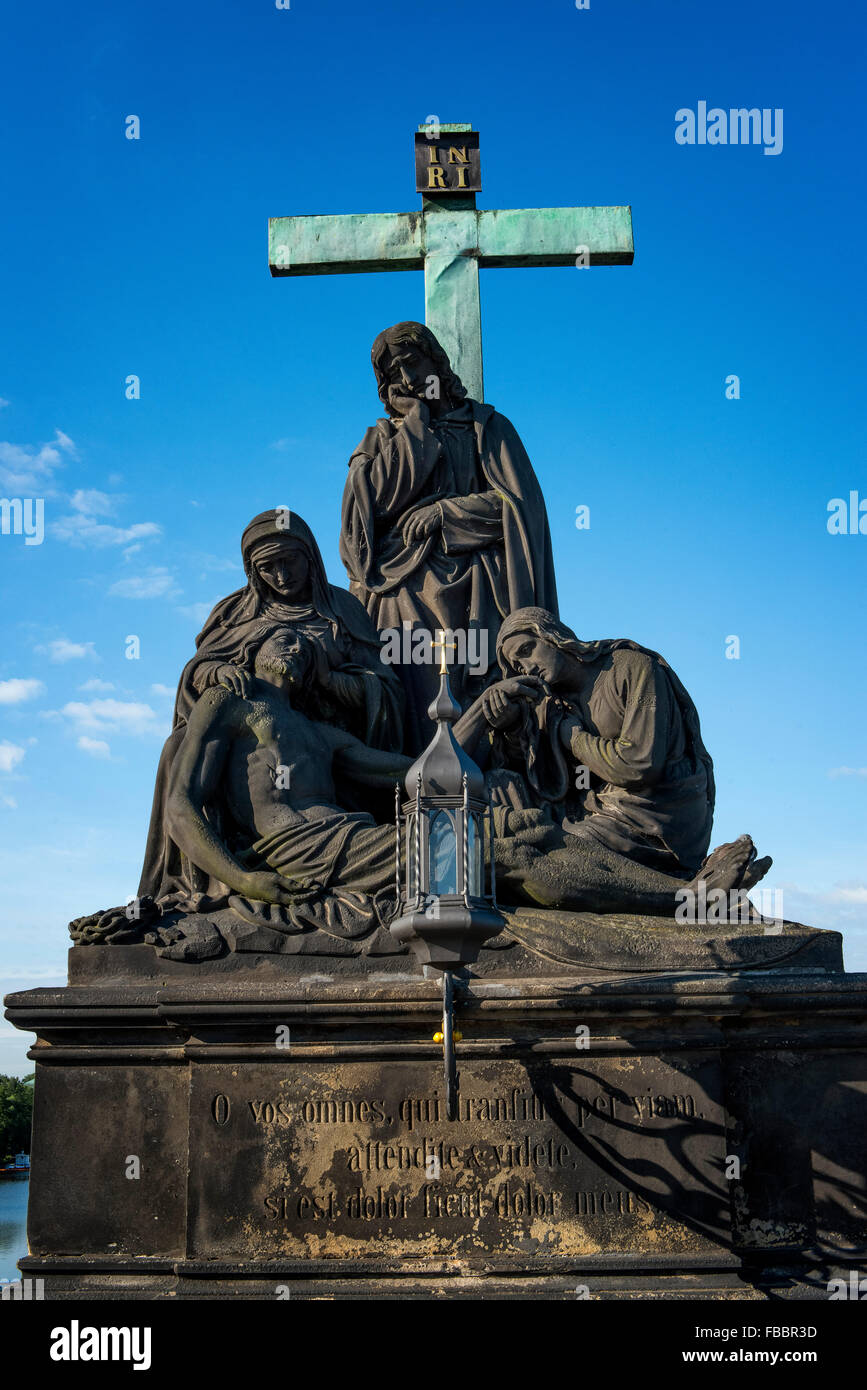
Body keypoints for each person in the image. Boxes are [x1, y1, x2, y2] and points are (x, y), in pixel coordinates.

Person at [164, 626, 765, 936]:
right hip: (303, 853)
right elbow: (181, 804)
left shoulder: (323, 736)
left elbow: (421, 770)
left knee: (521, 844)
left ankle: (692, 895)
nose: (295, 648)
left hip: (353, 838)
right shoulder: (230, 702)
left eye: (304, 644)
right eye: (282, 639)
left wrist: (478, 713)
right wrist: (243, 877)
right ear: (252, 650)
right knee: (504, 857)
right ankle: (693, 902)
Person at [137, 507, 403, 905]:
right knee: (181, 750)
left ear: (310, 556)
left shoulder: (343, 610)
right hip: (251, 743)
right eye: (267, 568)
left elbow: (384, 688)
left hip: (326, 747)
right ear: (251, 570)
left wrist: (331, 682)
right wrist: (214, 671)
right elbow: (199, 668)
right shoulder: (233, 613)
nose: (280, 576)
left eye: (289, 561)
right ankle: (221, 868)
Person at [340, 322, 558, 751]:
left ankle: (478, 788)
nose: (406, 378)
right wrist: (416, 426)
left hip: (476, 587)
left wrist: (446, 512)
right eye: (392, 373)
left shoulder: (486, 429)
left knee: (467, 690)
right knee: (405, 690)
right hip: (398, 588)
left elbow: (519, 510)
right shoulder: (380, 440)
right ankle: (401, 792)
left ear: (436, 359)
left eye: (411, 362)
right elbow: (359, 526)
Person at [455, 607, 716, 877]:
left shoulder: (631, 668)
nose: (527, 666)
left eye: (527, 649)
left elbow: (639, 766)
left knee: (554, 857)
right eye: (518, 665)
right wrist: (510, 726)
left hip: (658, 815)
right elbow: (548, 780)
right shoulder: (553, 704)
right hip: (598, 808)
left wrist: (574, 738)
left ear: (552, 636)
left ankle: (686, 891)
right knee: (499, 786)